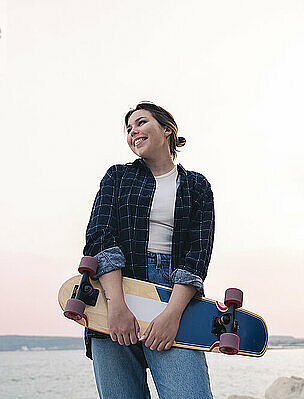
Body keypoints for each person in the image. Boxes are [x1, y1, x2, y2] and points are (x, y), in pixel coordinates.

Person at [82, 101, 215, 399]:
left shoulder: (197, 186)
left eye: (141, 123)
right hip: (112, 292)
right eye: (129, 129)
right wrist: (116, 306)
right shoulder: (117, 177)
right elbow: (100, 236)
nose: (133, 132)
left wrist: (172, 314)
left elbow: (198, 253)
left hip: (174, 295)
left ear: (167, 129)